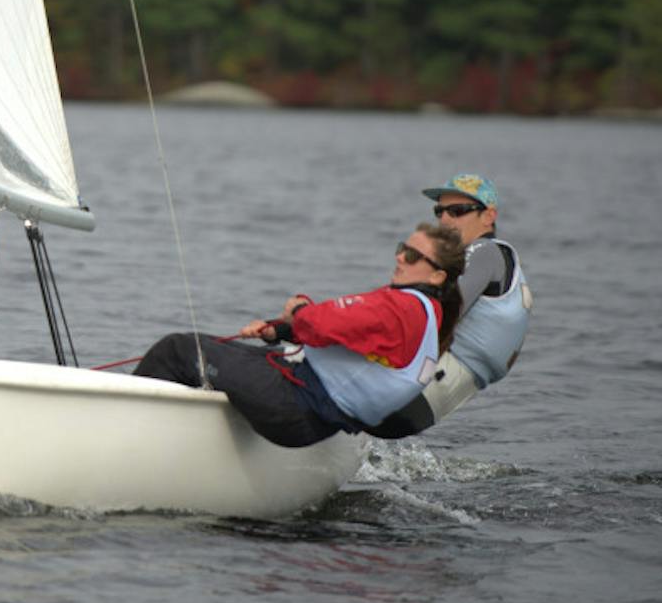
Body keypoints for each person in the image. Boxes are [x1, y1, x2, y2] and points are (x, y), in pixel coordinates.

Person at [133, 224, 466, 448]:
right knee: (203, 347)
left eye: (411, 255)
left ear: (437, 275)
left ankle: (126, 438)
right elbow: (348, 338)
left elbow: (323, 322)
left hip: (294, 406)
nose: (398, 257)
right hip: (314, 413)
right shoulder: (427, 317)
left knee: (177, 350)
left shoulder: (401, 308)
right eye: (401, 248)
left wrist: (299, 313)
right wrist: (282, 330)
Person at [369, 173, 532, 438]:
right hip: (437, 396)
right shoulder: (491, 262)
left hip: (429, 383)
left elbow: (442, 312)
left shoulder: (484, 251)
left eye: (457, 211)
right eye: (439, 211)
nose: (444, 219)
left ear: (489, 217)